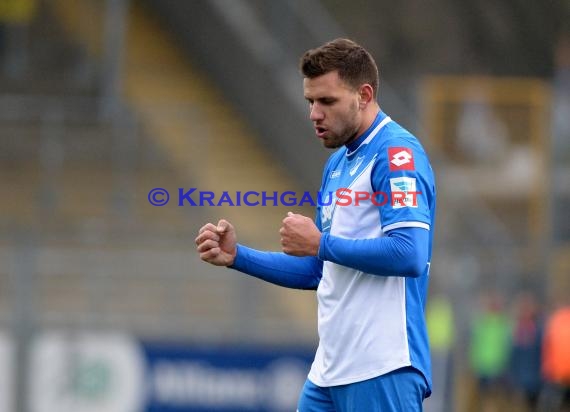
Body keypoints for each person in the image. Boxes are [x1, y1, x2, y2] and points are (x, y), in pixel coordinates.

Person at [195, 38, 436, 412]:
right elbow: (318, 271)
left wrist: (321, 243)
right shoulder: (337, 165)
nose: (314, 114)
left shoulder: (396, 154)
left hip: (382, 366)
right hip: (328, 371)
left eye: (327, 101)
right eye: (310, 102)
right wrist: (237, 256)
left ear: (364, 94)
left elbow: (409, 253)